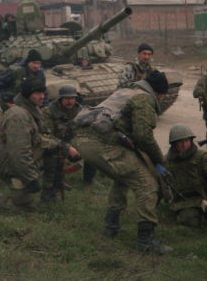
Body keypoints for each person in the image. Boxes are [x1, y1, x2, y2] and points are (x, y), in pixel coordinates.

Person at [72, 70, 174, 255]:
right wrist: (159, 162)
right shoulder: (144, 99)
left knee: (124, 176)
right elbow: (143, 136)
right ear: (159, 93)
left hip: (84, 140)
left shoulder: (126, 90)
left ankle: (110, 227)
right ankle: (146, 240)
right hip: (102, 144)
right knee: (147, 185)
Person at [0, 78, 78, 210]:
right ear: (28, 94)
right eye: (37, 93)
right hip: (12, 166)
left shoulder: (31, 110)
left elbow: (40, 138)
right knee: (24, 206)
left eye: (43, 93)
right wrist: (31, 179)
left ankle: (49, 194)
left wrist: (64, 147)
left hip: (24, 161)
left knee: (55, 150)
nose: (42, 96)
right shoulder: (18, 117)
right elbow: (19, 153)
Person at [41, 84, 85, 201]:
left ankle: (89, 179)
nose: (69, 101)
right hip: (52, 145)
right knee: (53, 162)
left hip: (73, 143)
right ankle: (50, 192)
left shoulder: (80, 111)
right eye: (66, 98)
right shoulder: (48, 111)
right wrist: (67, 147)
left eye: (72, 98)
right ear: (60, 99)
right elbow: (47, 136)